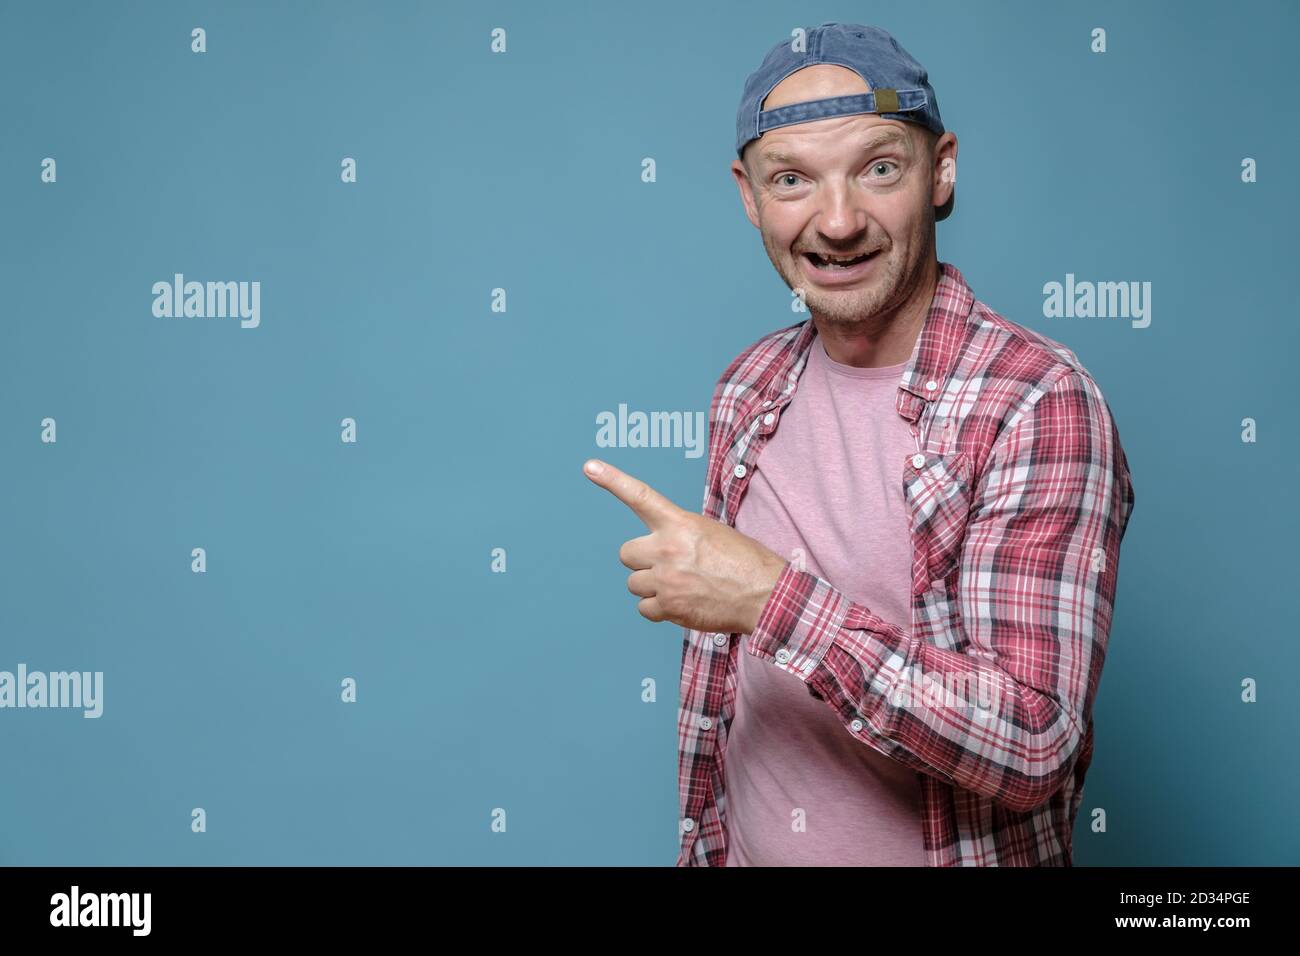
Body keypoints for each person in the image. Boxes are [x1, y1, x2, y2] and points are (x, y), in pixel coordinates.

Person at [583, 21, 1135, 866]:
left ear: (940, 171)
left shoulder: (1036, 400)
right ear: (749, 196)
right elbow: (735, 713)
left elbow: (1032, 740)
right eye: (793, 179)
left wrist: (773, 601)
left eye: (879, 169)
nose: (837, 222)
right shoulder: (748, 387)